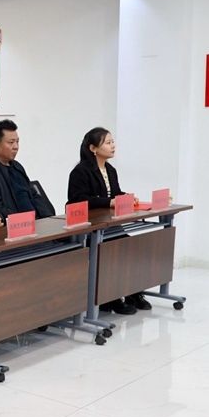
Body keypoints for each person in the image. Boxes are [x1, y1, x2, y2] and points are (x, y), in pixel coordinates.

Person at [67, 127, 147, 314]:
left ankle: (133, 292)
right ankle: (109, 298)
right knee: (113, 251)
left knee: (131, 247)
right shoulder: (80, 171)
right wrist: (109, 202)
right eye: (108, 143)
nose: (113, 146)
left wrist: (125, 197)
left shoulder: (110, 170)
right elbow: (78, 200)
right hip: (91, 227)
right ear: (93, 148)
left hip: (110, 225)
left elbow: (114, 193)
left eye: (113, 142)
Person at [0, 120, 55, 220]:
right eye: (11, 142)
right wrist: (24, 221)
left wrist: (48, 218)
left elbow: (34, 195)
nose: (16, 147)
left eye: (17, 142)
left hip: (35, 222)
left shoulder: (17, 166)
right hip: (16, 225)